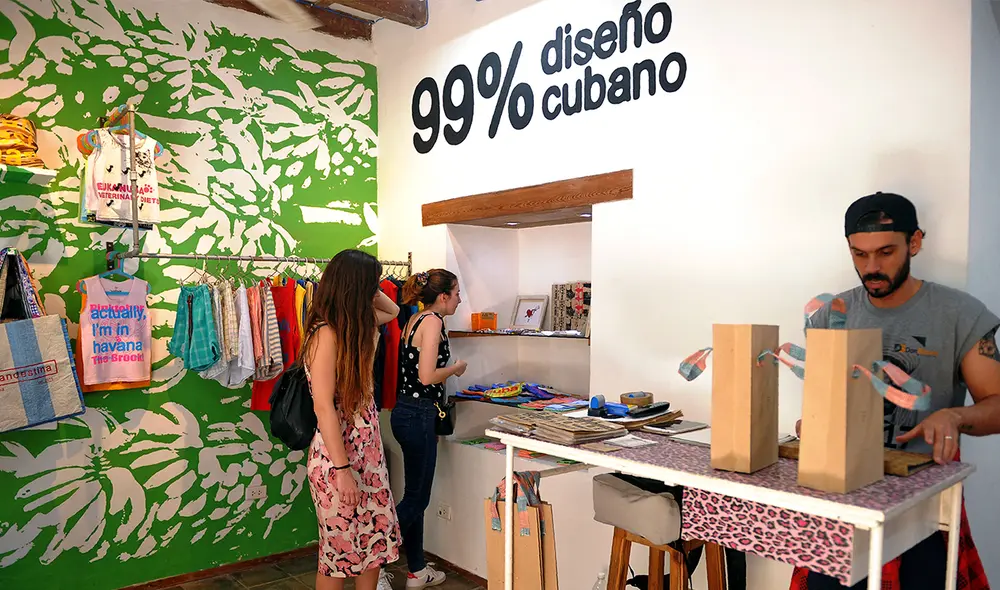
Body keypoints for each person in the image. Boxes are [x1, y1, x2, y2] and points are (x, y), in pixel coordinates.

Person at [791, 192, 999, 590]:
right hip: (842, 507)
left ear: (914, 243)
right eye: (859, 254)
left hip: (923, 511)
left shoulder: (959, 314)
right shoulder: (830, 316)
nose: (871, 267)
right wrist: (814, 424)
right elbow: (823, 405)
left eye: (885, 252)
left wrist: (955, 416)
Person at [302, 249, 403, 590]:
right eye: (372, 284)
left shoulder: (357, 326)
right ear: (355, 287)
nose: (377, 290)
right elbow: (323, 407)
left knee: (375, 546)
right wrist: (343, 470)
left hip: (368, 455)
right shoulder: (325, 334)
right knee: (338, 555)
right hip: (338, 459)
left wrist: (371, 287)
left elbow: (394, 310)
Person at [390, 269, 467, 588]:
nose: (460, 299)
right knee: (416, 500)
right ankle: (372, 558)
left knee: (415, 497)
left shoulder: (415, 319)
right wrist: (455, 369)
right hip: (418, 414)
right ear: (443, 296)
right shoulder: (433, 322)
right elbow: (426, 376)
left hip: (408, 412)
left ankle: (417, 571)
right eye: (457, 293)